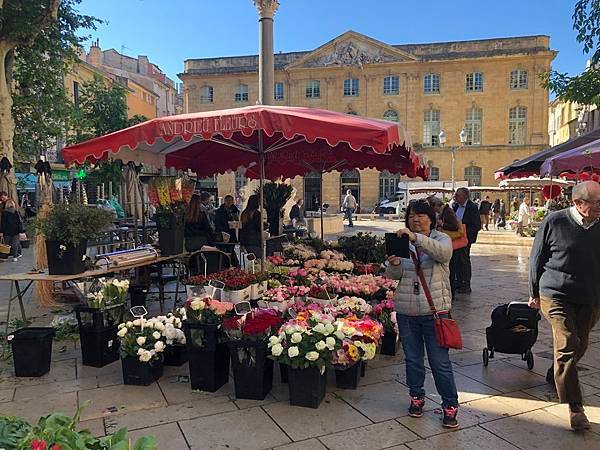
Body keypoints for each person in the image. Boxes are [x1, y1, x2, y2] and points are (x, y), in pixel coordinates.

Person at [528, 181, 600, 431]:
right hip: (555, 292)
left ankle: (555, 372)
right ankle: (575, 407)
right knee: (568, 343)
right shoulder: (555, 221)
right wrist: (533, 292)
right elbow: (536, 257)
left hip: (590, 297)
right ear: (577, 203)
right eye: (596, 203)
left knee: (580, 344)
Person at [385, 200, 459, 428]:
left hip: (435, 312)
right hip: (407, 312)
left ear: (431, 218)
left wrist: (416, 238)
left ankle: (450, 404)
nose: (415, 220)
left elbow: (443, 254)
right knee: (413, 360)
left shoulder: (441, 239)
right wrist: (395, 263)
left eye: (420, 215)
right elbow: (393, 275)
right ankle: (416, 397)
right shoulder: (401, 242)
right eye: (411, 216)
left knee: (439, 362)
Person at [451, 188, 481, 294]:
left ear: (465, 196)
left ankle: (466, 284)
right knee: (455, 261)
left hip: (465, 239)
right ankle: (458, 283)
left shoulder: (472, 208)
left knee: (464, 261)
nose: (455, 197)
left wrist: (466, 234)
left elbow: (477, 225)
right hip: (455, 238)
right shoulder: (454, 206)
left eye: (458, 195)